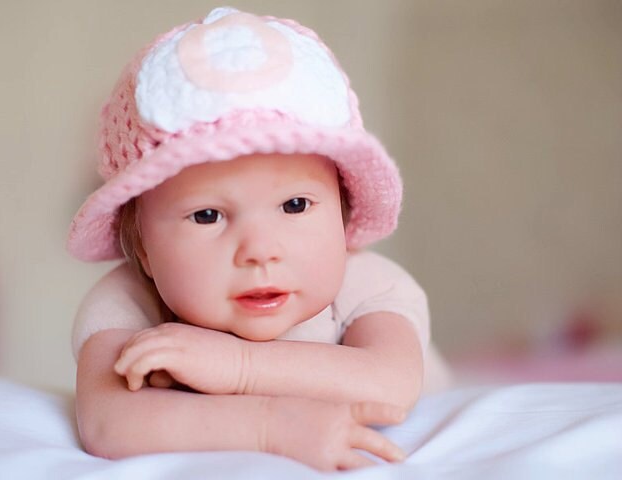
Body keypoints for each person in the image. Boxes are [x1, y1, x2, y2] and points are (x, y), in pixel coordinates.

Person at [68, 7, 450, 471]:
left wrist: (237, 366)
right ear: (143, 248)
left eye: (294, 206)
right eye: (207, 215)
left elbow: (391, 382)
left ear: (343, 215)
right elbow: (109, 421)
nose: (260, 251)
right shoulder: (128, 300)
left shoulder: (370, 284)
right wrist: (269, 426)